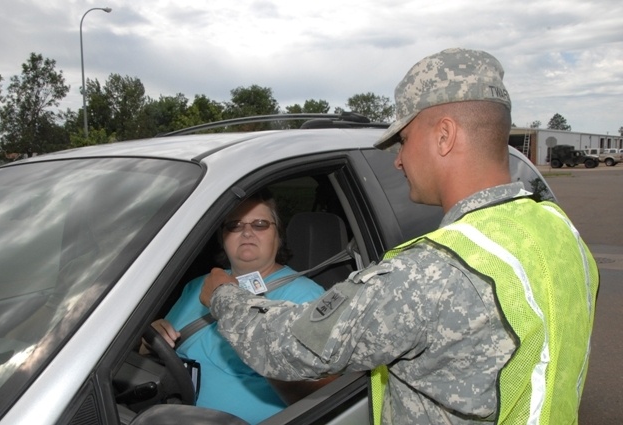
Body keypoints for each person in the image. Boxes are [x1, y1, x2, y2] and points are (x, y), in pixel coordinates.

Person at [200, 48, 600, 424]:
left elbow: (289, 347)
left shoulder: (433, 272)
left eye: (404, 140)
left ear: (444, 136)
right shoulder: (560, 231)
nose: (398, 159)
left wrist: (221, 294)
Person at [143, 190, 329, 424]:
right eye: (234, 225)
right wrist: (150, 339)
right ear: (222, 237)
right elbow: (152, 352)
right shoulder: (199, 285)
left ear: (278, 236)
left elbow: (322, 393)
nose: (247, 232)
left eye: (260, 224)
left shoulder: (305, 296)